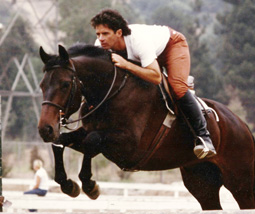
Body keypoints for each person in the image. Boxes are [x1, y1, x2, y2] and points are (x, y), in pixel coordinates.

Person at [90, 9, 216, 159]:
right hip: (146, 56)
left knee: (177, 87)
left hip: (172, 46)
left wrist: (126, 65)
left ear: (118, 33)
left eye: (105, 34)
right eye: (98, 34)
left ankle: (204, 137)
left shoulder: (138, 40)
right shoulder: (99, 45)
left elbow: (156, 77)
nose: (101, 38)